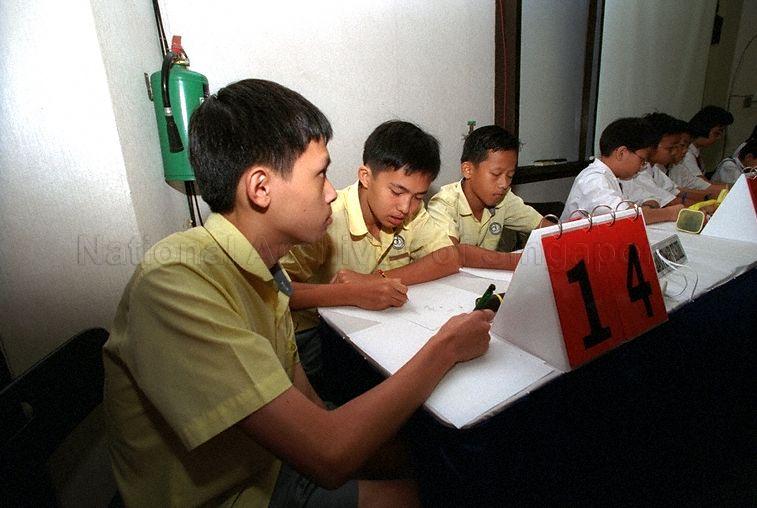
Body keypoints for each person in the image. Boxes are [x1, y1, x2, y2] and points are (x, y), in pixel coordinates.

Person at [102, 79, 493, 507]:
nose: (331, 191)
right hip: (242, 493)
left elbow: (307, 402)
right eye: (320, 173)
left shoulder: (266, 269)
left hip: (271, 461)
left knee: (426, 457)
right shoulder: (176, 282)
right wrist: (446, 348)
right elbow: (327, 456)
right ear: (261, 188)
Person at [426, 125, 552, 270]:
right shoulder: (443, 204)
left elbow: (547, 229)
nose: (504, 184)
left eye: (510, 175)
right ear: (468, 170)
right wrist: (517, 261)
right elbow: (452, 254)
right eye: (496, 174)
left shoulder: (504, 198)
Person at [560, 117, 683, 224]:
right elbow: (626, 217)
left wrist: (646, 208)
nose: (642, 166)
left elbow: (651, 199)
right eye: (642, 160)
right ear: (621, 153)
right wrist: (669, 213)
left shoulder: (618, 177)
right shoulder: (593, 179)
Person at [620, 113, 715, 208]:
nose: (674, 152)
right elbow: (670, 201)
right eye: (670, 148)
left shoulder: (655, 169)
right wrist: (705, 205)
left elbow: (675, 192)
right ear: (652, 145)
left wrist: (708, 198)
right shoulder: (638, 173)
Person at [668, 105, 733, 187]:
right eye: (716, 133)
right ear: (705, 127)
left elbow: (699, 184)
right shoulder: (687, 155)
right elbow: (703, 184)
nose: (718, 138)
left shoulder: (695, 152)